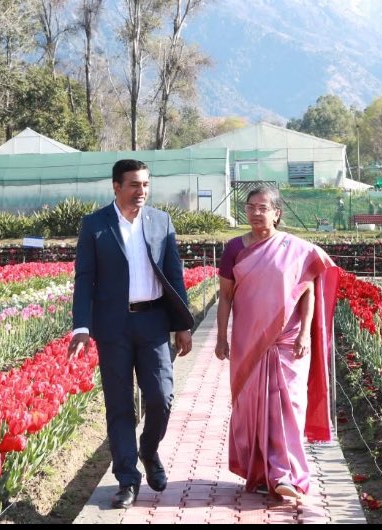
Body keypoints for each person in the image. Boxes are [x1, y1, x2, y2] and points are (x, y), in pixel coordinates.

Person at [69, 159, 195, 509]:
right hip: (113, 327)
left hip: (153, 322)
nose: (141, 192)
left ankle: (149, 450)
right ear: (116, 187)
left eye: (145, 185)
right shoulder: (95, 225)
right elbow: (84, 279)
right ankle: (126, 479)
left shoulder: (161, 221)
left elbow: (174, 274)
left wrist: (182, 324)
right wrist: (82, 326)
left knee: (161, 397)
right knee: (119, 404)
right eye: (134, 185)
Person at [215, 186, 339, 499]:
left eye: (263, 207)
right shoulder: (233, 249)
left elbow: (308, 293)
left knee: (288, 408)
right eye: (251, 207)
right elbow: (226, 297)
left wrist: (303, 334)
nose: (256, 213)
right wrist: (221, 336)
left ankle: (287, 475)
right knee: (251, 407)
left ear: (277, 213)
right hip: (248, 340)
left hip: (288, 342)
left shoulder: (296, 249)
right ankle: (258, 473)